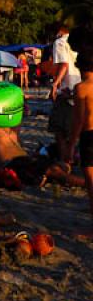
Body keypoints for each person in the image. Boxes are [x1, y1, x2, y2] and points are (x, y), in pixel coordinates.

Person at [0, 125, 84, 189]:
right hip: (13, 163)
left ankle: (43, 177)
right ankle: (87, 184)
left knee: (63, 166)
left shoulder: (12, 124)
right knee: (54, 171)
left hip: (25, 158)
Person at [68, 49, 93, 234]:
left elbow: (79, 120)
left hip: (89, 136)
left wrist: (71, 145)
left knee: (91, 184)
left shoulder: (81, 88)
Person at [49, 24, 81, 161]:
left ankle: (65, 162)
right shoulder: (78, 41)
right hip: (81, 87)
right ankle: (73, 158)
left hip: (67, 90)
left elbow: (64, 64)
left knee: (60, 131)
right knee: (75, 130)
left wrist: (55, 84)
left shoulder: (60, 42)